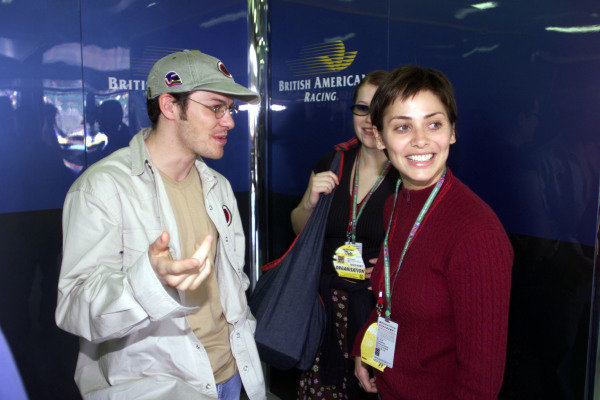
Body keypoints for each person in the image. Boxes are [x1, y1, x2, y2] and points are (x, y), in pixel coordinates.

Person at [55, 49, 266, 400]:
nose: (229, 121)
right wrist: (148, 282)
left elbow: (232, 286)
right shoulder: (102, 188)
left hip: (232, 375)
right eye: (216, 107)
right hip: (156, 387)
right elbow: (75, 306)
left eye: (231, 109)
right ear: (169, 106)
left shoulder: (220, 187)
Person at [352, 65, 513, 399]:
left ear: (452, 131)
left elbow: (481, 383)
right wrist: (365, 346)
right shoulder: (395, 205)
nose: (421, 140)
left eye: (434, 124)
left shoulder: (476, 235)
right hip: (389, 386)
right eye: (402, 127)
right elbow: (390, 295)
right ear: (380, 137)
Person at [292, 70, 398, 400]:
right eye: (362, 108)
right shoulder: (334, 160)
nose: (370, 119)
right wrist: (309, 201)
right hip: (325, 308)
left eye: (381, 109)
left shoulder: (408, 172)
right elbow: (299, 230)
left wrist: (396, 262)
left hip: (379, 312)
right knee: (322, 390)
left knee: (375, 388)